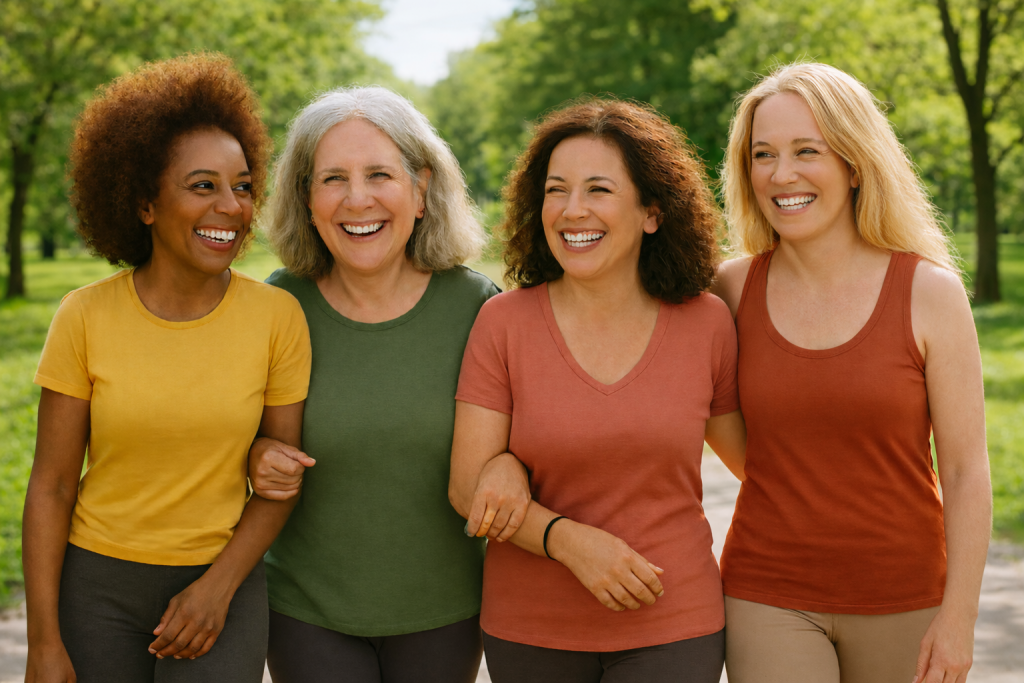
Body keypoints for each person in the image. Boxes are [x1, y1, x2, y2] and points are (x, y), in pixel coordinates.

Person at [23, 54, 312, 683]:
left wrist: (217, 588)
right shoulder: (84, 316)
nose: (231, 207)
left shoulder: (277, 316)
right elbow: (50, 487)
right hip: (96, 587)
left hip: (223, 581)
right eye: (203, 185)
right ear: (146, 204)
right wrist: (44, 642)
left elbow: (282, 482)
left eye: (241, 186)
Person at [448, 98, 747, 683]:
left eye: (598, 190)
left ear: (652, 212)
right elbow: (467, 489)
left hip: (674, 623)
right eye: (556, 190)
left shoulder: (707, 323)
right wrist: (568, 541)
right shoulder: (503, 323)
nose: (571, 210)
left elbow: (756, 465)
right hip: (531, 627)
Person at [712, 62, 992, 683]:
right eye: (763, 154)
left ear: (855, 162)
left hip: (907, 594)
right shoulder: (728, 292)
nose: (781, 174)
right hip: (767, 591)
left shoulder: (930, 293)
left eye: (806, 150)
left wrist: (959, 620)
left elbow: (968, 471)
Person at [246, 86, 496, 683]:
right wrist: (254, 455)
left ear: (421, 188)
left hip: (446, 611)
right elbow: (223, 437)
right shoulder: (277, 307)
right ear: (306, 199)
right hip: (307, 613)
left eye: (380, 173)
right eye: (332, 178)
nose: (357, 199)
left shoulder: (479, 308)